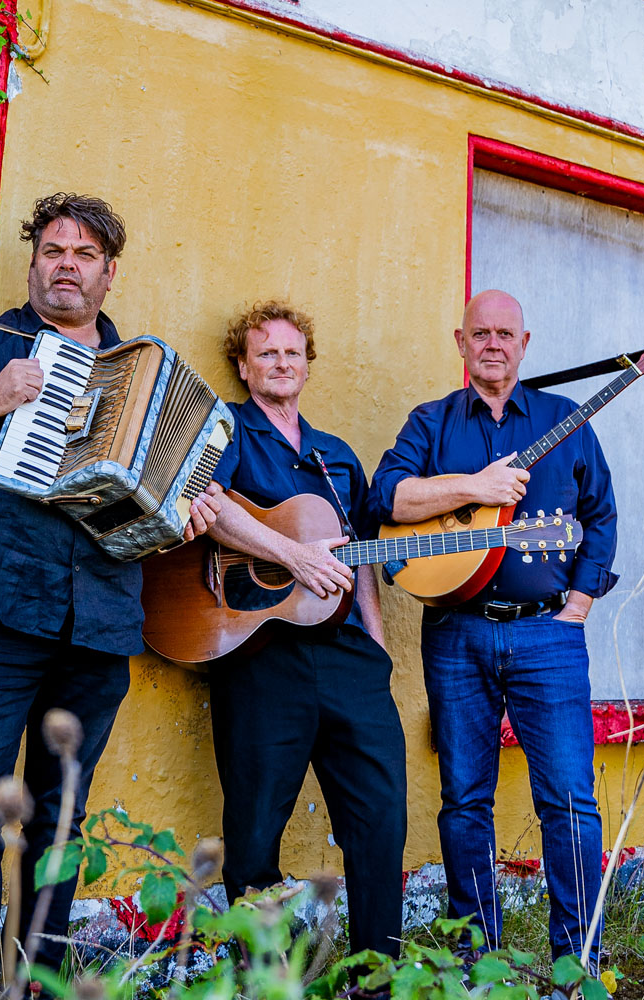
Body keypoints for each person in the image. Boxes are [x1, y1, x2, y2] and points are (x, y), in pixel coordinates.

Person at [0, 193, 220, 998]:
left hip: (100, 628)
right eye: (54, 249)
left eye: (85, 253)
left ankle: (40, 985)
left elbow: (169, 499)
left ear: (109, 272)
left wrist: (189, 506)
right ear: (33, 260)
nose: (68, 263)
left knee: (60, 827)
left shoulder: (141, 374)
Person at [370, 290, 618, 971]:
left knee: (569, 802)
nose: (493, 344)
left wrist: (581, 604)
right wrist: (471, 487)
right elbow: (386, 497)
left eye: (505, 334)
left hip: (549, 637)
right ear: (460, 341)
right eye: (481, 333)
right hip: (455, 635)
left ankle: (578, 965)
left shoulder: (564, 421)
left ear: (525, 342)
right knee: (465, 801)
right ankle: (481, 964)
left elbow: (601, 514)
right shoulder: (433, 423)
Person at [205, 300, 407, 957]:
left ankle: (377, 973)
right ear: (243, 364)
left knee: (381, 820)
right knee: (255, 830)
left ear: (308, 366)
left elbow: (359, 555)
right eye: (267, 352)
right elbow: (206, 508)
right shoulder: (226, 433)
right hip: (261, 657)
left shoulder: (336, 456)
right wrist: (290, 556)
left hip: (348, 656)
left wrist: (376, 645)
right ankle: (262, 975)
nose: (282, 363)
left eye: (293, 353)